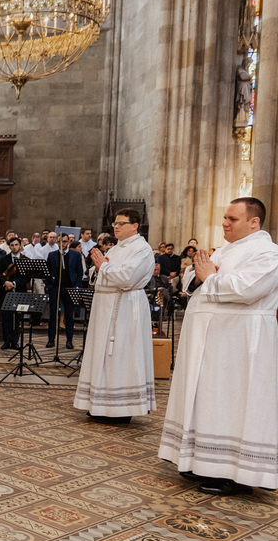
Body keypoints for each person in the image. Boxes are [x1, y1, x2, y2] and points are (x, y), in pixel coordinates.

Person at [159, 197, 278, 496]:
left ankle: (236, 475)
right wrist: (199, 276)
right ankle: (202, 461)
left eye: (232, 219)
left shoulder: (268, 252)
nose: (224, 223)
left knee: (233, 403)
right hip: (214, 341)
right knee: (209, 400)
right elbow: (194, 280)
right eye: (225, 217)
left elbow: (247, 289)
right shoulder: (225, 250)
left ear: (254, 222)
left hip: (242, 342)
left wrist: (210, 276)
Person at [73, 208, 155, 424]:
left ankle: (122, 409)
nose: (116, 227)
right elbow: (102, 273)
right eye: (115, 224)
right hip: (105, 308)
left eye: (121, 223)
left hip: (126, 308)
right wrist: (98, 268)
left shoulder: (142, 249)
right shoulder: (117, 248)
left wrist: (104, 266)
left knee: (122, 355)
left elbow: (127, 278)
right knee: (102, 354)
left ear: (135, 226)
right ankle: (100, 404)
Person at [45, 233, 83, 348]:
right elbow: (47, 272)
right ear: (57, 242)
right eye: (60, 242)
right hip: (55, 288)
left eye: (65, 241)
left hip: (69, 288)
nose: (62, 244)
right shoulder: (52, 255)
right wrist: (49, 285)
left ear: (69, 242)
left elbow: (79, 272)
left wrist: (77, 286)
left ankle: (69, 340)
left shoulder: (75, 255)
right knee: (53, 315)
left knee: (69, 316)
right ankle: (51, 340)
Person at [0, 236, 29, 350]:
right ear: (9, 247)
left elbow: (26, 277)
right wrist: (5, 282)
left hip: (19, 291)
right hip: (6, 292)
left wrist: (14, 283)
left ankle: (15, 341)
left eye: (16, 245)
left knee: (17, 318)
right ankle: (6, 341)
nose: (14, 247)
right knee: (6, 318)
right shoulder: (3, 259)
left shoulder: (25, 259)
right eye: (12, 245)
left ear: (20, 246)